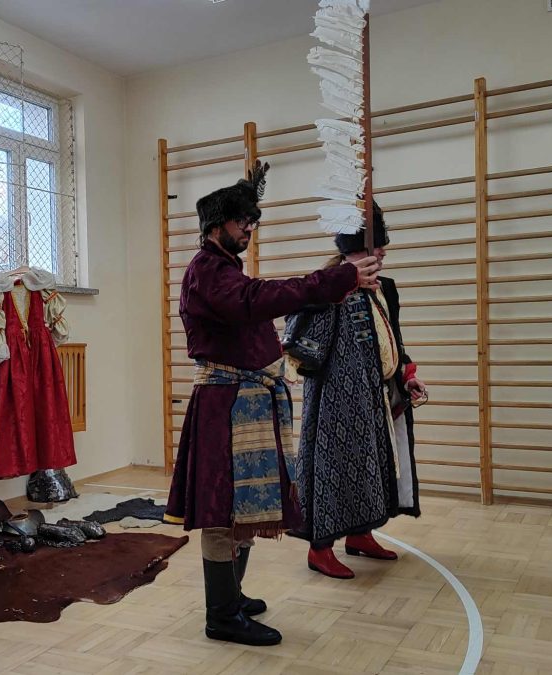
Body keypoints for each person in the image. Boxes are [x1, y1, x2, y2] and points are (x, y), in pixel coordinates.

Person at [163, 161, 381, 647]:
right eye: (243, 221)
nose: (249, 229)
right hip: (226, 403)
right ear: (216, 225)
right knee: (223, 510)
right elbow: (256, 300)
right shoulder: (208, 272)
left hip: (244, 402)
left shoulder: (224, 270)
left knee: (243, 507)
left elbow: (262, 300)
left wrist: (336, 284)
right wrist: (332, 280)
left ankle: (231, 598)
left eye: (252, 221)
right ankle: (221, 615)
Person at [284, 201, 425, 579]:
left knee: (373, 468)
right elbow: (300, 343)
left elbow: (393, 340)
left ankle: (361, 534)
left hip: (376, 398)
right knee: (333, 470)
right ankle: (320, 549)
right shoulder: (327, 287)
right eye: (375, 246)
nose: (383, 252)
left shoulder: (386, 289)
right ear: (355, 250)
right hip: (334, 403)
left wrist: (406, 375)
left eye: (382, 245)